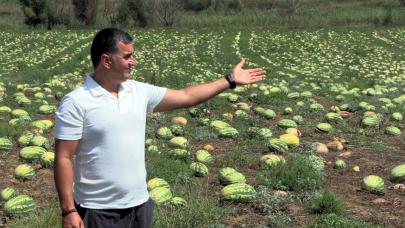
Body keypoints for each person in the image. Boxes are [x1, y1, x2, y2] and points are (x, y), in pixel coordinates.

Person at [54, 27, 265, 228]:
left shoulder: (138, 91)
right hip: (98, 210)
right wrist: (68, 211)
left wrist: (229, 80)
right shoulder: (77, 102)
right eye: (127, 57)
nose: (133, 62)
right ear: (106, 60)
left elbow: (186, 96)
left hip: (139, 205)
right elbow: (64, 158)